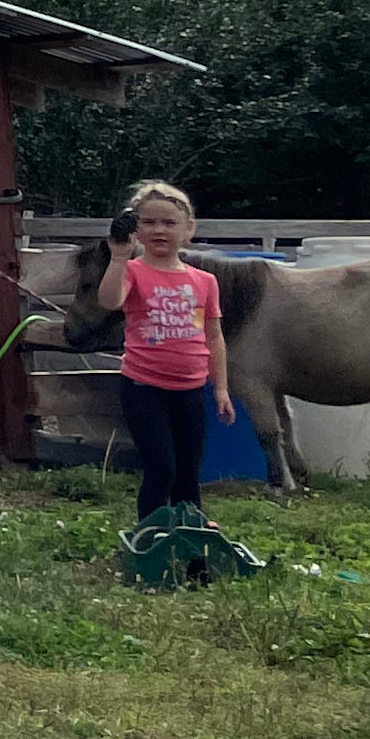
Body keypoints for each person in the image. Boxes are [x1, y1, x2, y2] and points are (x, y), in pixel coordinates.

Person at [96, 179, 232, 528]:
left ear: (188, 230)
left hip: (190, 391)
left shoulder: (204, 281)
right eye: (149, 222)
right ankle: (152, 537)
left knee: (188, 472)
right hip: (144, 388)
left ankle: (191, 538)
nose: (159, 229)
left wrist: (220, 389)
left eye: (169, 223)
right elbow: (109, 301)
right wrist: (118, 257)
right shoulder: (133, 272)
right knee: (161, 469)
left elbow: (213, 337)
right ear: (136, 230)